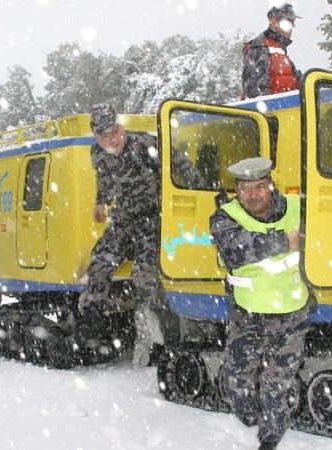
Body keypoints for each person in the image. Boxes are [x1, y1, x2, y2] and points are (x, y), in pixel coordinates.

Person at [77, 103, 203, 366]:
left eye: (114, 133)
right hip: (124, 219)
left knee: (144, 277)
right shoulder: (97, 152)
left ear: (121, 128)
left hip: (152, 219)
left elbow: (180, 161)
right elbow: (104, 178)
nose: (111, 140)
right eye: (104, 136)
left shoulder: (145, 145)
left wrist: (198, 193)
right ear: (96, 137)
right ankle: (93, 335)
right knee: (99, 264)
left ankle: (169, 339)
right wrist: (101, 201)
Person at [209, 157, 310, 450]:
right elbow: (240, 249)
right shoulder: (224, 217)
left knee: (278, 384)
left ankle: (270, 439)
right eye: (245, 189)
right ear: (236, 191)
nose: (252, 196)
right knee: (235, 383)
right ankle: (251, 415)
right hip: (248, 317)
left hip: (291, 314)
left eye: (259, 187)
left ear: (270, 185)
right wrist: (285, 242)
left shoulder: (297, 207)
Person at [242, 3, 303, 99]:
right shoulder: (260, 48)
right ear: (274, 22)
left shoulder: (280, 51)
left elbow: (298, 81)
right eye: (288, 21)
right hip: (277, 111)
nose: (293, 26)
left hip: (290, 110)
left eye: (293, 22)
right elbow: (256, 93)